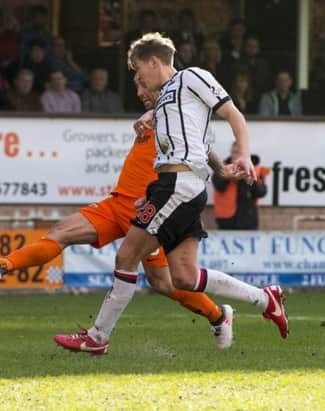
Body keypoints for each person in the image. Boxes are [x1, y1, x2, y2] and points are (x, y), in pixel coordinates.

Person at [0, 73, 248, 351]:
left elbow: (202, 144)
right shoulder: (157, 116)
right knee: (61, 232)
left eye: (142, 84)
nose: (139, 92)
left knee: (164, 282)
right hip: (117, 202)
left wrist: (221, 166)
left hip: (153, 211)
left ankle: (219, 316)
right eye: (136, 86)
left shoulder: (181, 113)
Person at [51, 33, 288, 353]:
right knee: (184, 277)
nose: (139, 79)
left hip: (176, 186)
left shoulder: (193, 77)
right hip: (183, 186)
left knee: (126, 255)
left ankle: (97, 337)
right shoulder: (167, 102)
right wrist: (221, 169)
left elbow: (234, 114)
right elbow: (201, 144)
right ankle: (264, 298)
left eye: (139, 71)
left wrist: (243, 154)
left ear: (154, 61)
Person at [213, 142, 268, 230]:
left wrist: (250, 179)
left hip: (249, 220)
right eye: (234, 152)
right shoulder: (222, 167)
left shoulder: (254, 168)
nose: (236, 155)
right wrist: (231, 172)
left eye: (239, 152)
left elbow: (261, 192)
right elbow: (219, 186)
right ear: (230, 152)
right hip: (226, 219)